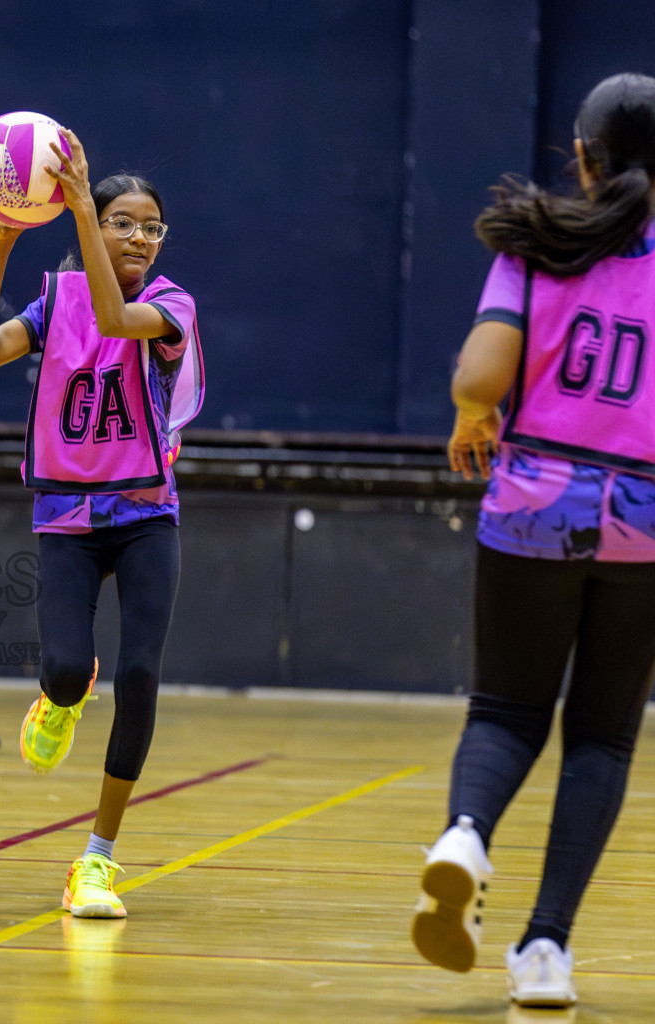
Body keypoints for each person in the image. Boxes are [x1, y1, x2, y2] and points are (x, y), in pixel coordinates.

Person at [411, 72, 655, 1009]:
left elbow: (481, 369)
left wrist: (475, 413)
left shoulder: (537, 241)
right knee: (602, 735)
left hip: (534, 499)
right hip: (642, 517)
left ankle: (465, 838)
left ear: (583, 158)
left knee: (506, 712)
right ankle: (546, 950)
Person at [0, 129, 204, 920]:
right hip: (67, 515)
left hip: (145, 515)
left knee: (141, 674)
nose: (139, 236)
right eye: (122, 222)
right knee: (68, 667)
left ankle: (96, 859)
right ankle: (61, 696)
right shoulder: (54, 301)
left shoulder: (171, 307)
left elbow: (112, 309)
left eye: (151, 226)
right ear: (93, 226)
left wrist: (75, 211)